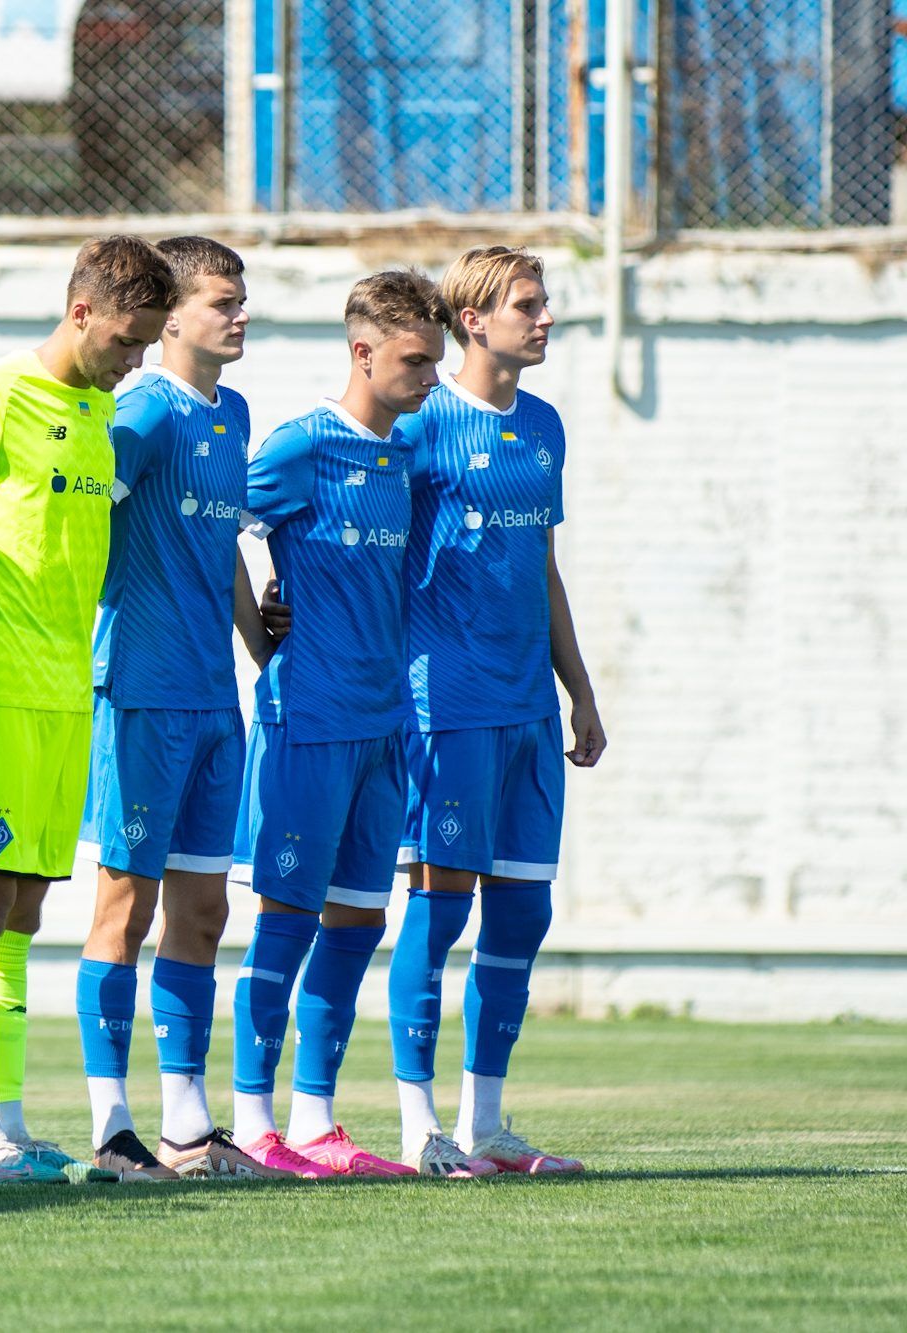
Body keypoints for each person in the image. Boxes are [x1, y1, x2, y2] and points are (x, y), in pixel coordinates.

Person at [0, 235, 176, 1184]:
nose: (134, 360)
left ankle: (13, 1122)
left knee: (25, 911)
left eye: (147, 343)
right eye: (125, 339)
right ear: (81, 313)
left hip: (68, 694)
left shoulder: (100, 411)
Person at [226, 270, 448, 1179]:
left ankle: (316, 1121)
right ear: (363, 351)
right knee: (285, 920)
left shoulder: (401, 457)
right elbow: (206, 530)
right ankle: (249, 1120)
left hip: (383, 723)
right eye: (414, 360)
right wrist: (257, 632)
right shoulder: (300, 447)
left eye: (435, 361)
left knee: (359, 920)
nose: (430, 376)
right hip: (307, 718)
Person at [387, 246, 602, 1176]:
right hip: (446, 706)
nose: (544, 317)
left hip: (526, 711)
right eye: (527, 304)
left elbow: (542, 565)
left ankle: (487, 1125)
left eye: (544, 302)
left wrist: (579, 687)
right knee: (437, 916)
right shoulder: (420, 421)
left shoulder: (545, 425)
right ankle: (416, 1125)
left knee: (523, 916)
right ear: (471, 320)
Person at [74, 236, 274, 1180]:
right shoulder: (139, 413)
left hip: (211, 698)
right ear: (174, 318)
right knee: (125, 903)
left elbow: (227, 545)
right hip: (141, 691)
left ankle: (190, 1127)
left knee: (203, 911)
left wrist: (258, 637)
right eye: (223, 302)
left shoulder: (231, 414)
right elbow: (78, 526)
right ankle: (113, 1128)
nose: (239, 315)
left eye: (243, 301)